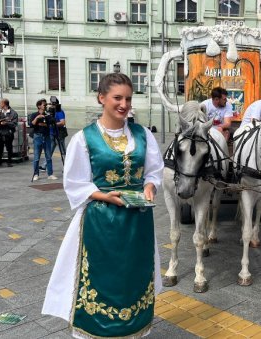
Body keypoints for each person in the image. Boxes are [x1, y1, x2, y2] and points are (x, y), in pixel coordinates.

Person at [42, 73, 163, 339]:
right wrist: (103, 196)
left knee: (134, 277)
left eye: (128, 98)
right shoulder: (85, 138)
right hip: (101, 221)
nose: (124, 104)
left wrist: (149, 187)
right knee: (103, 278)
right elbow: (75, 182)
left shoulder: (143, 135)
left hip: (138, 221)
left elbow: (154, 171)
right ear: (102, 98)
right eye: (117, 98)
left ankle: (133, 329)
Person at [28, 99, 57, 181]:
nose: (45, 106)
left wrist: (50, 114)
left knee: (48, 156)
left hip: (46, 137)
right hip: (38, 137)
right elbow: (31, 124)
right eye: (44, 105)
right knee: (37, 157)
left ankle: (50, 174)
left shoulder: (47, 115)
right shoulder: (34, 114)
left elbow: (53, 121)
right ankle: (36, 174)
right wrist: (37, 117)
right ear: (39, 106)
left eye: (45, 105)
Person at [0, 98, 19, 167]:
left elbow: (14, 124)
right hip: (0, 132)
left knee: (9, 148)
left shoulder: (13, 113)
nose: (0, 104)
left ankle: (9, 162)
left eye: (0, 103)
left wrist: (6, 123)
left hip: (8, 133)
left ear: (4, 104)